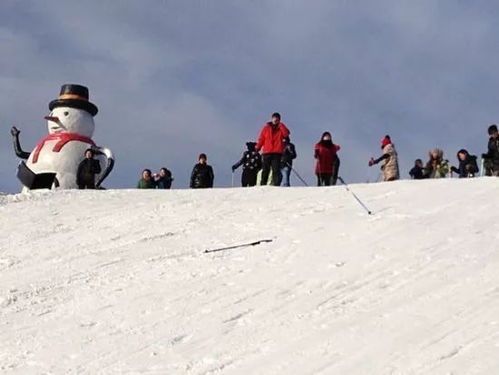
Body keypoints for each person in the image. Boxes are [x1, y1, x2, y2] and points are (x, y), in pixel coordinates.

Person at [255, 112, 290, 186]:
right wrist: (257, 148)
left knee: (276, 170)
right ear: (272, 119)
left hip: (277, 152)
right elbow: (261, 138)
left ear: (279, 120)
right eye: (274, 118)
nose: (275, 119)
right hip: (267, 152)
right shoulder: (266, 128)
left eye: (277, 118)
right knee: (265, 170)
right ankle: (263, 184)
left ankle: (276, 185)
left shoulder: (281, 128)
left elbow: (286, 134)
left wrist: (281, 125)